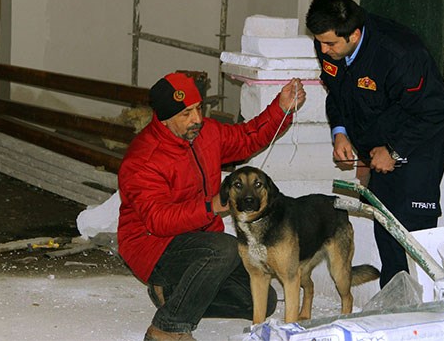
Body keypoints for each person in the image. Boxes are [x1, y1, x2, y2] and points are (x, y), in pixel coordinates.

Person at [117, 72, 306, 341]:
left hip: (200, 238)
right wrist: (211, 206)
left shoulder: (206, 133)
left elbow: (246, 138)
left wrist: (281, 108)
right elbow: (157, 220)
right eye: (186, 114)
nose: (196, 119)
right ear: (164, 118)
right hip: (152, 245)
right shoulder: (144, 159)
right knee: (224, 249)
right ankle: (168, 326)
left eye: (198, 109)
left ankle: (172, 294)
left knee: (262, 300)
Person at [306, 0, 444, 288]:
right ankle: (395, 302)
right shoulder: (331, 44)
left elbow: (435, 112)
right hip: (378, 147)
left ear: (355, 33)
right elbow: (338, 95)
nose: (323, 49)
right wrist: (340, 133)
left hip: (420, 143)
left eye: (330, 43)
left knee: (411, 229)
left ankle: (427, 310)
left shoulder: (400, 54)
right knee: (386, 225)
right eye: (319, 42)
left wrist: (395, 151)